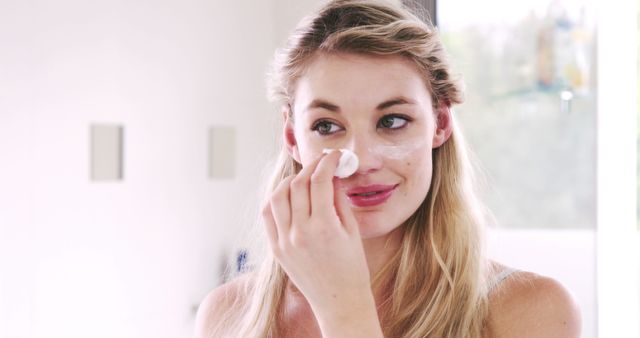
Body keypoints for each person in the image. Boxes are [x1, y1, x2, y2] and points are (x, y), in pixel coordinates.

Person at [195, 0, 581, 337]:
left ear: (440, 124)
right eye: (327, 126)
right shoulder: (226, 316)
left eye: (392, 121)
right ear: (293, 137)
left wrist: (343, 309)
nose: (361, 160)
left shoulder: (532, 312)